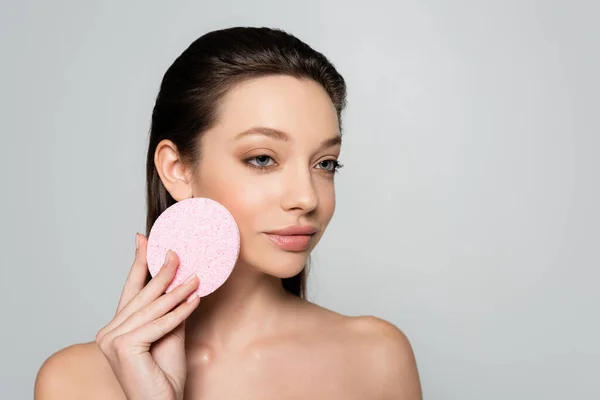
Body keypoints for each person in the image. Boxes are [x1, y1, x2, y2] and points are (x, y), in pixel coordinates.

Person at [34, 26, 422, 399]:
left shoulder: (377, 358)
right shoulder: (73, 382)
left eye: (325, 163)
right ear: (177, 169)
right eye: (262, 158)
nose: (307, 198)